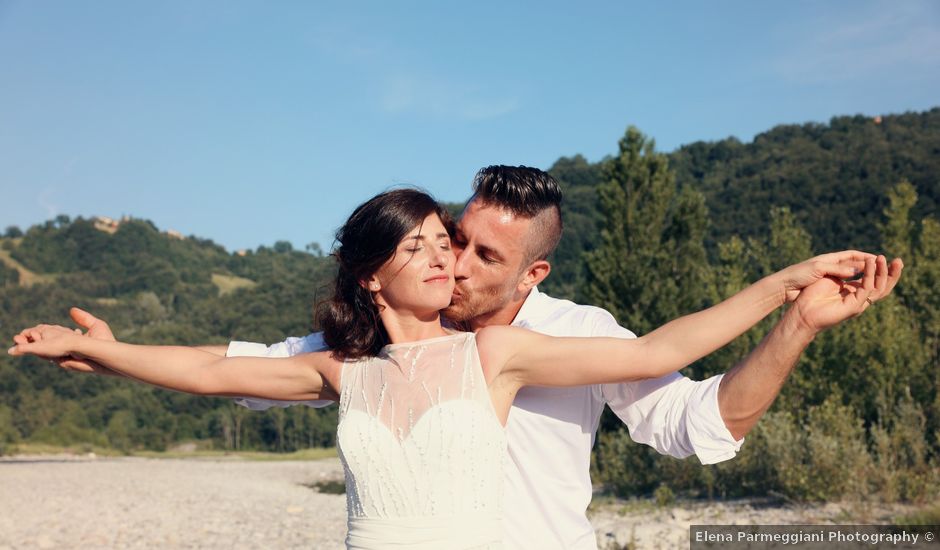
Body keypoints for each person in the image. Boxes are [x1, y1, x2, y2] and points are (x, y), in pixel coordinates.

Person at [24, 167, 903, 549]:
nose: (452, 264)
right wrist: (108, 355)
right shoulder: (347, 364)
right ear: (375, 279)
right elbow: (225, 368)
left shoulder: (514, 348)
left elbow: (672, 376)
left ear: (534, 271)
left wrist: (788, 296)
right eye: (442, 244)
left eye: (474, 255)